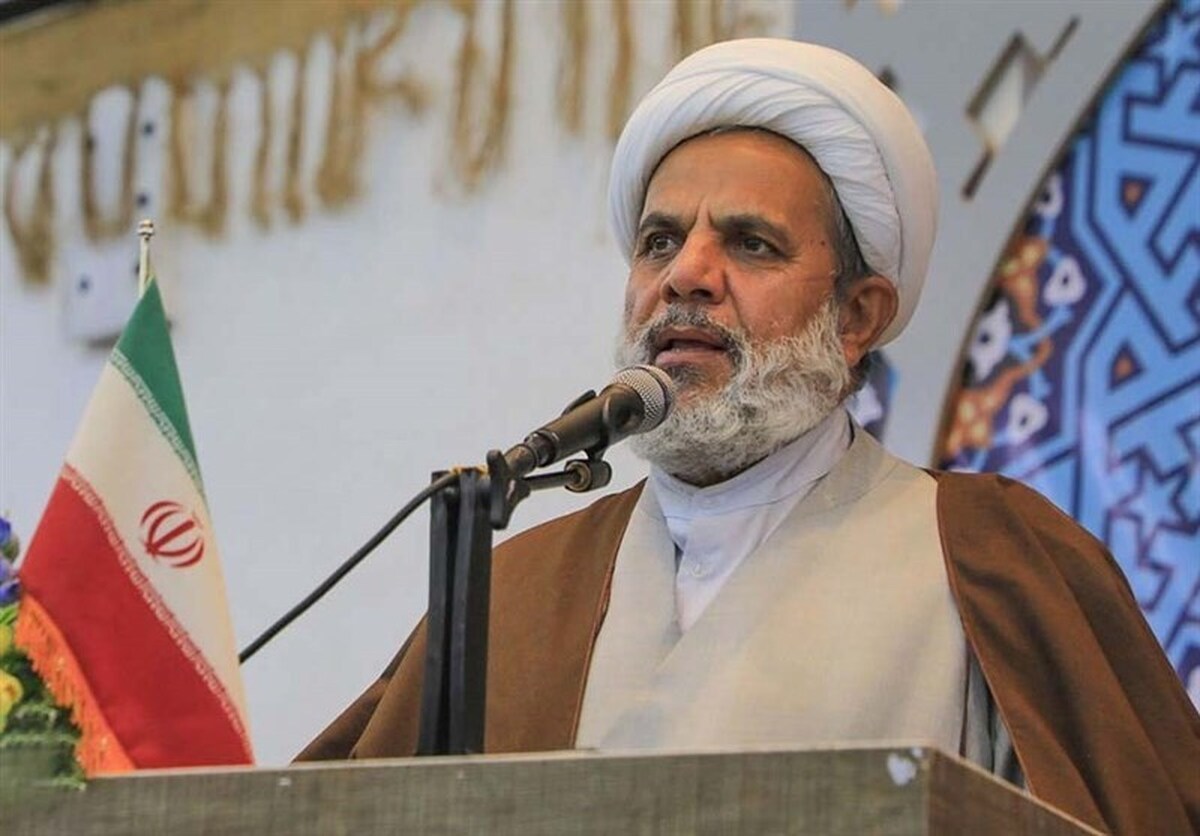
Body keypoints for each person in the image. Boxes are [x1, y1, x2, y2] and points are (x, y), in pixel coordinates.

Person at [297, 39, 1199, 834]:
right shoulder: (516, 591)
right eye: (659, 241)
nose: (686, 274)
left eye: (751, 244)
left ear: (857, 315)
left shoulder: (991, 560)